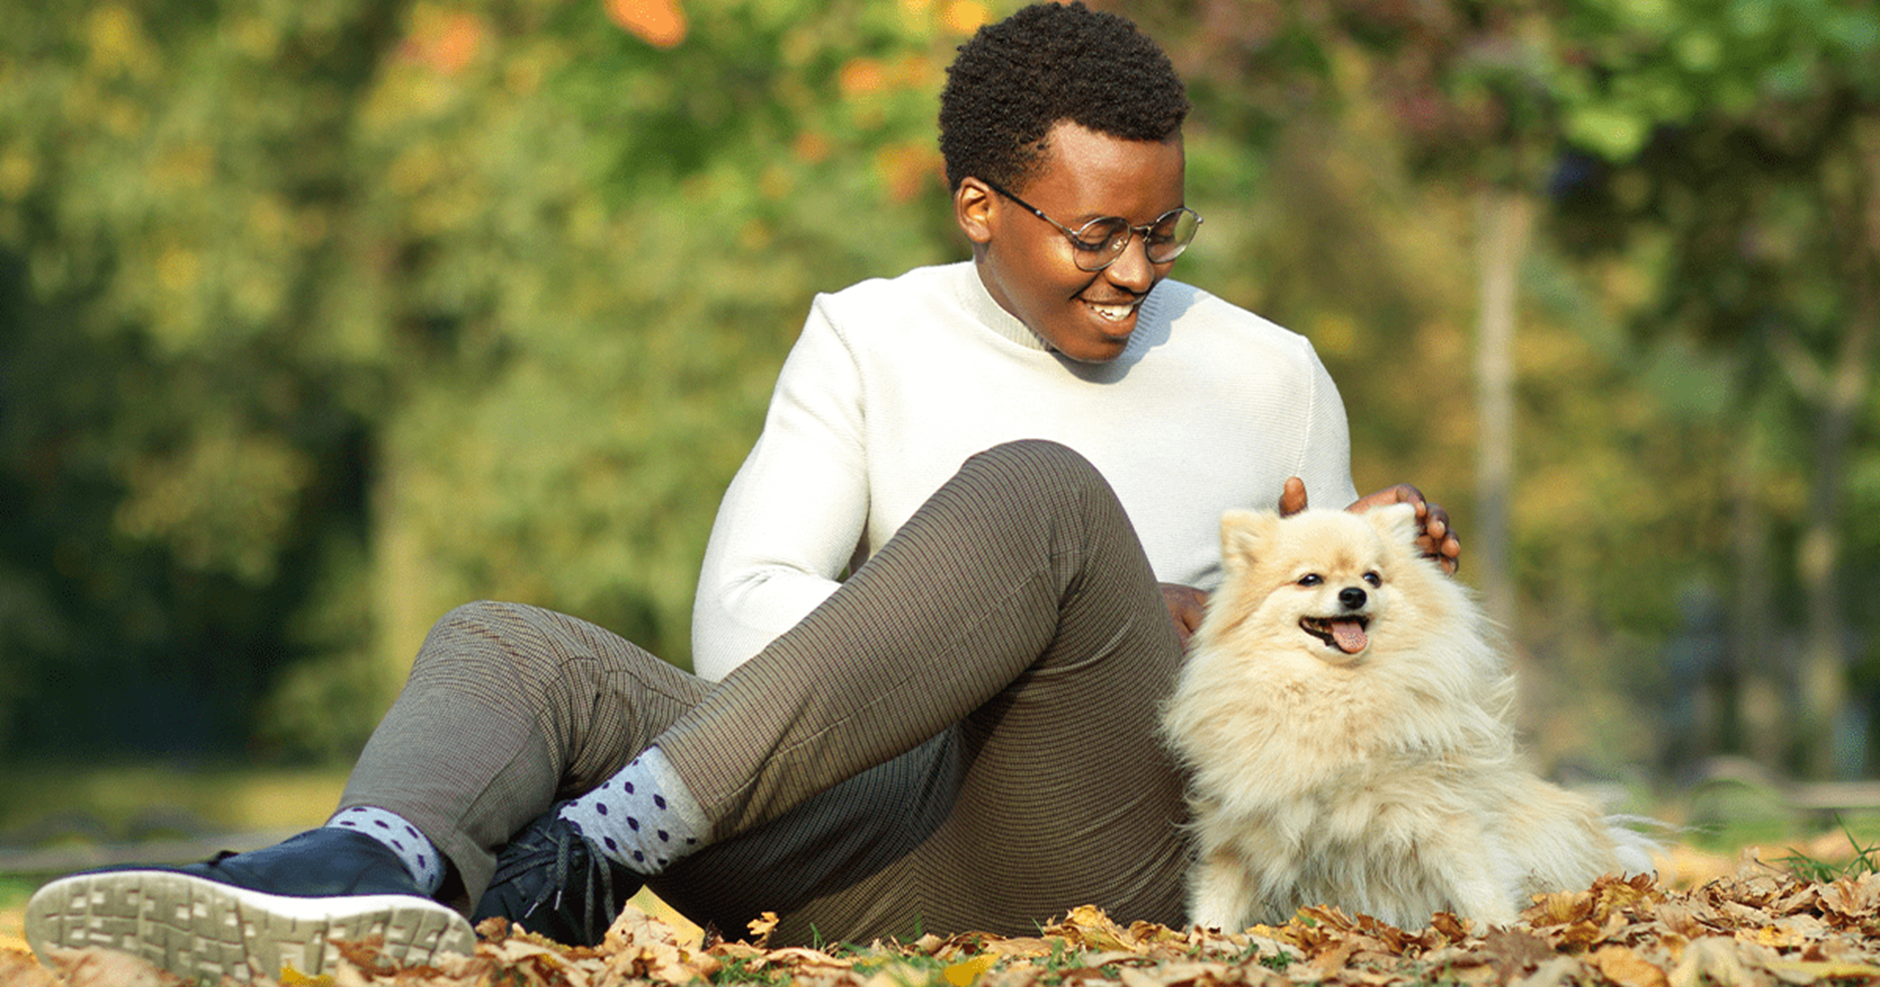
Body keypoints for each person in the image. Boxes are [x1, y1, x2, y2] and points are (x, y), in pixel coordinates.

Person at [24, 3, 1461, 982]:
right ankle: (367, 871)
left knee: (1042, 497)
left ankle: (593, 851)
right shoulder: (869, 336)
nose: (1136, 272)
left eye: (1164, 229)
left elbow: (1343, 739)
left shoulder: (1271, 373)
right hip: (866, 842)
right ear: (979, 205)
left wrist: (1356, 601)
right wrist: (968, 632)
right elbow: (742, 619)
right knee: (508, 645)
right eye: (1097, 235)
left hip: (1117, 837)